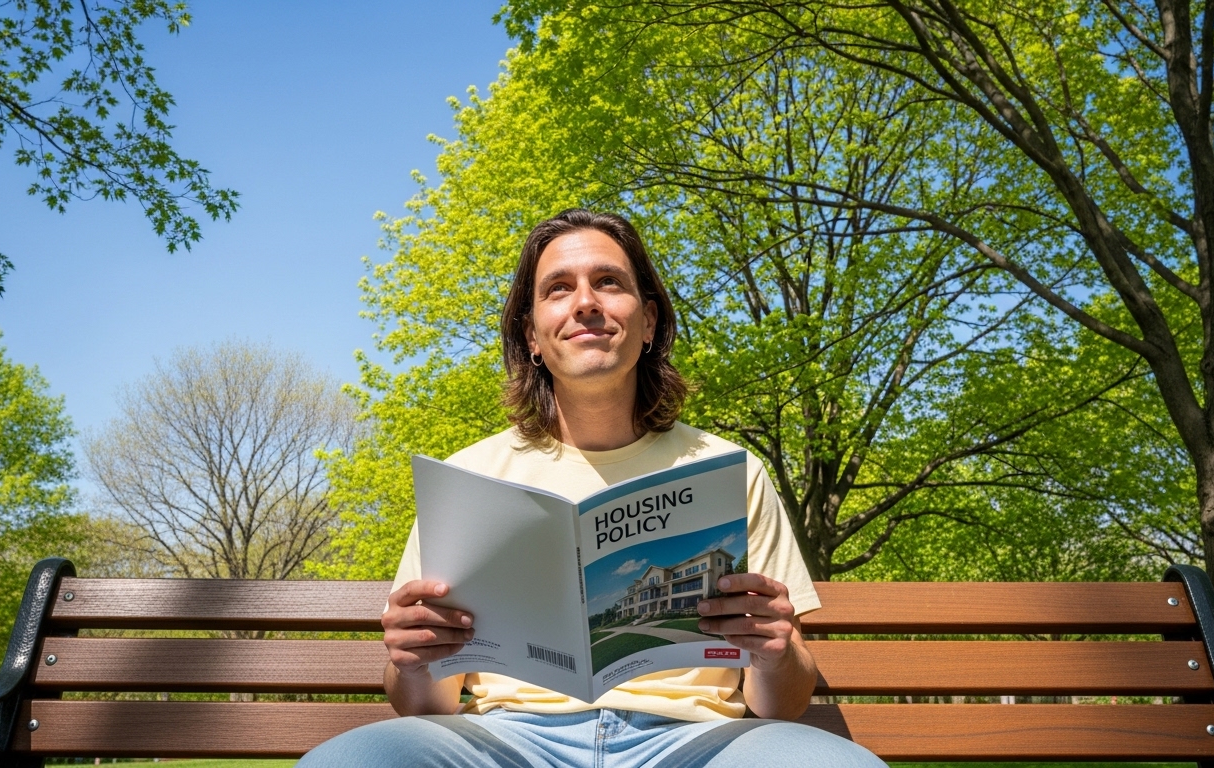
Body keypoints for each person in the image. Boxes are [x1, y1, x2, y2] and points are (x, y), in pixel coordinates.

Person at [298, 209, 887, 768]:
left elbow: (781, 706)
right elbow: (423, 706)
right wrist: (412, 661)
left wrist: (774, 649)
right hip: (505, 740)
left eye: (608, 282)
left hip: (700, 743)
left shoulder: (730, 469)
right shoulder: (467, 479)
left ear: (649, 320)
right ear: (531, 335)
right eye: (558, 288)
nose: (585, 304)